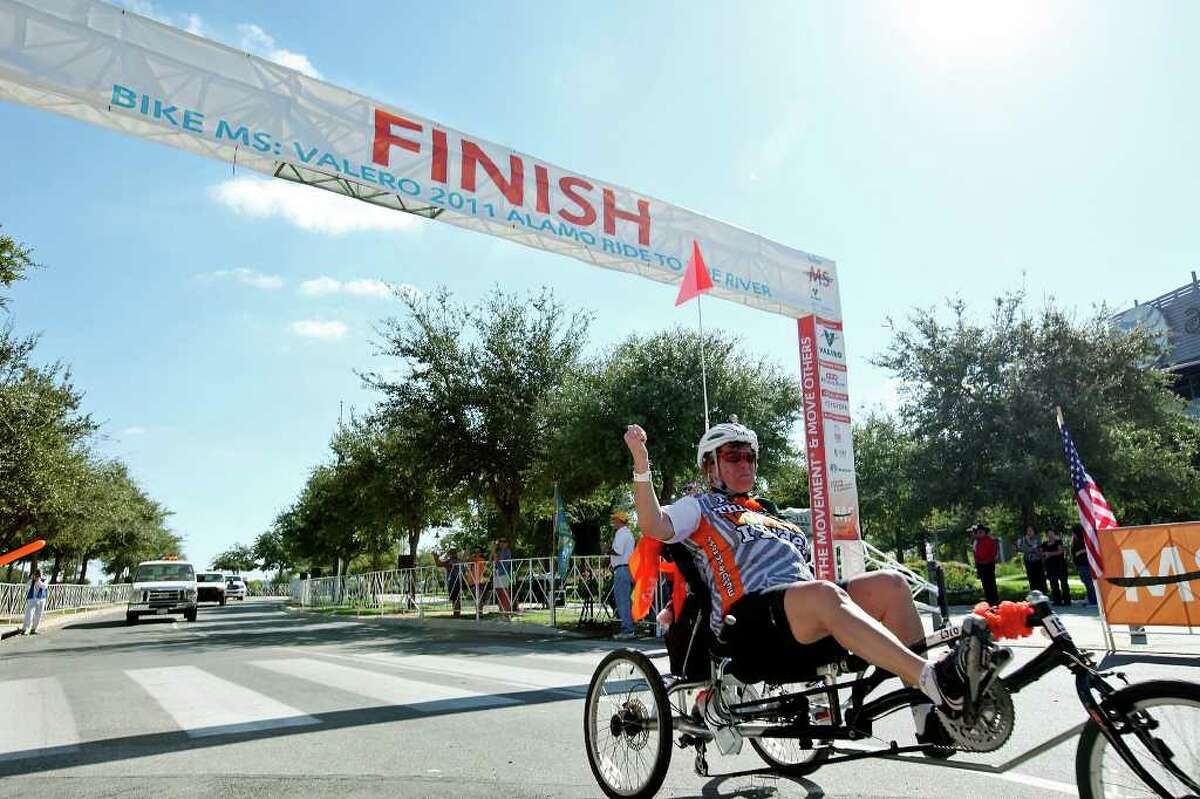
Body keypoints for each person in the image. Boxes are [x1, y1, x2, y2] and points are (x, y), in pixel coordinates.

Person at [623, 420, 1008, 754]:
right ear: (710, 465)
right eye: (733, 456)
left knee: (891, 584)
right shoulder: (700, 506)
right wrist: (642, 464)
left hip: (801, 611)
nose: (745, 463)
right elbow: (654, 523)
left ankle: (929, 720)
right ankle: (934, 680)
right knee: (824, 594)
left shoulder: (769, 514)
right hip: (748, 622)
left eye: (749, 457)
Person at [609, 510, 637, 640]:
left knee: (622, 600)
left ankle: (627, 630)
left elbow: (617, 551)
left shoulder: (620, 533)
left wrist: (606, 550)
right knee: (628, 601)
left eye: (614, 519)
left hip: (621, 569)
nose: (613, 522)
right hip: (629, 569)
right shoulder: (629, 533)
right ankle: (630, 626)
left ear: (620, 521)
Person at [969, 524, 1000, 607]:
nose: (978, 534)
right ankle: (989, 602)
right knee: (985, 585)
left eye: (980, 532)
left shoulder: (989, 540)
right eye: (977, 532)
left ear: (984, 532)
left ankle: (995, 603)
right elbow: (975, 553)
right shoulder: (976, 541)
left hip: (988, 564)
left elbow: (993, 552)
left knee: (991, 584)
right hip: (980, 565)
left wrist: (986, 560)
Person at [1070, 523, 1098, 606]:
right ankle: (1091, 598)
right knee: (1086, 581)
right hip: (1080, 564)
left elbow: (1087, 549)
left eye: (1074, 532)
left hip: (1085, 563)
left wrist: (1081, 552)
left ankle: (1093, 600)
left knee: (1089, 582)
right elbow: (1074, 552)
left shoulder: (1084, 540)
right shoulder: (1075, 540)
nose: (1073, 534)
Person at [1041, 530, 1070, 606]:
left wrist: (1050, 554)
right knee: (1053, 584)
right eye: (1048, 534)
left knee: (1064, 583)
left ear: (1054, 534)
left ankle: (1067, 600)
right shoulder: (1044, 544)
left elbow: (1060, 551)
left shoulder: (1058, 542)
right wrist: (1044, 554)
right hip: (1050, 566)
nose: (1050, 535)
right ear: (1046, 535)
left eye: (1052, 533)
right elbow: (1042, 553)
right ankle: (1057, 601)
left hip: (1060, 565)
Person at [434, 546, 464, 617]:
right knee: (456, 598)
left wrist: (436, 558)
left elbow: (439, 564)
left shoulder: (451, 561)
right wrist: (436, 558)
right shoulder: (457, 560)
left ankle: (456, 614)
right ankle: (456, 613)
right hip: (457, 580)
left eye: (453, 553)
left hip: (454, 581)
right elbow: (439, 564)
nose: (452, 555)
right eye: (451, 553)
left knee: (455, 598)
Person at [1017, 527, 1048, 596]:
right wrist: (1031, 549)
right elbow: (1020, 548)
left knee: (1040, 577)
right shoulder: (1023, 539)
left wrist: (1031, 549)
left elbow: (1039, 549)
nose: (1029, 532)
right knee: (1032, 578)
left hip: (1037, 560)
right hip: (1028, 561)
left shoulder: (1038, 538)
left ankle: (1043, 593)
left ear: (1034, 531)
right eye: (1028, 531)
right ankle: (1034, 593)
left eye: (1031, 531)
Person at [491, 537, 516, 614]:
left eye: (504, 541)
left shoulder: (507, 551)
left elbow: (497, 560)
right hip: (497, 574)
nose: (501, 543)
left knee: (504, 593)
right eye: (500, 541)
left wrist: (493, 550)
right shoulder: (499, 551)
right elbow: (491, 559)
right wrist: (493, 551)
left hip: (504, 574)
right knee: (498, 593)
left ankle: (506, 612)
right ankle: (502, 612)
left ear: (507, 543)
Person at [22, 568, 48, 635]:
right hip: (32, 599)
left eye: (40, 574)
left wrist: (38, 580)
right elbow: (27, 587)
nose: (38, 575)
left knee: (38, 615)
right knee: (29, 614)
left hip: (41, 599)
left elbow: (44, 587)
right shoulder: (32, 579)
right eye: (37, 574)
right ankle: (25, 629)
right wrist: (31, 579)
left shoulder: (44, 579)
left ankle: (34, 629)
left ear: (42, 574)